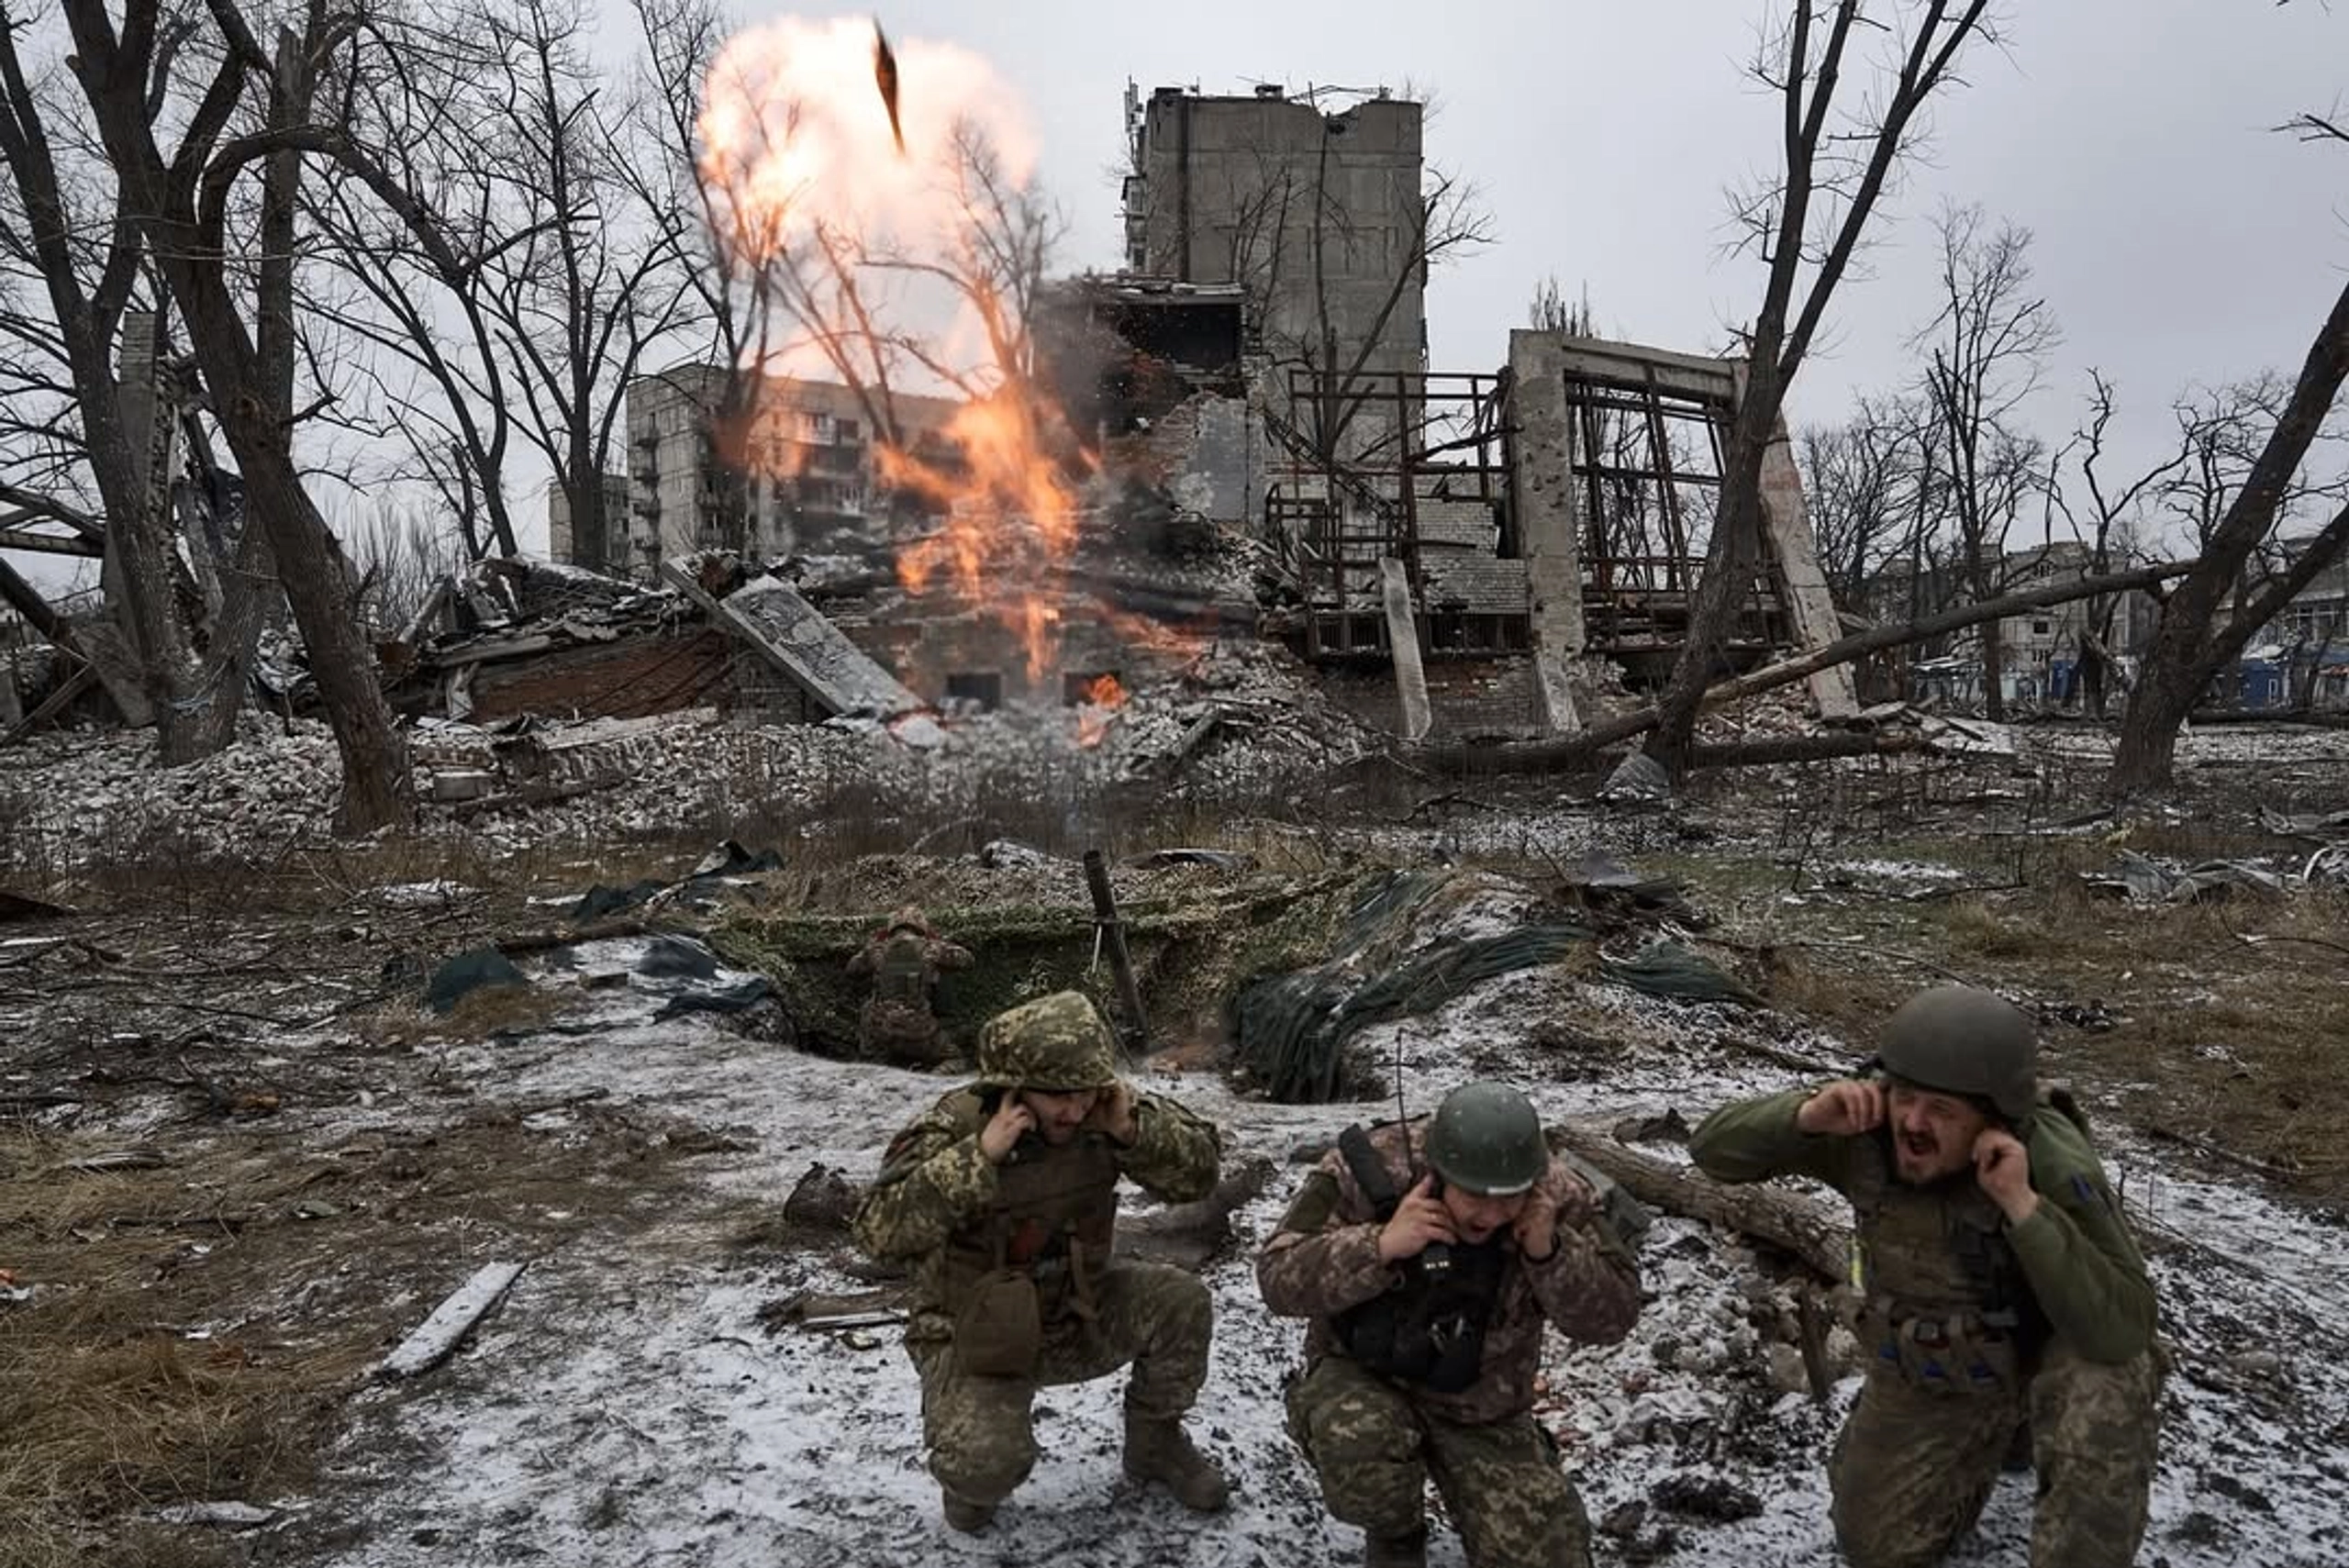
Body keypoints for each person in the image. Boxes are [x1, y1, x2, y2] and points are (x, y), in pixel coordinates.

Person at [1687, 984, 2160, 1568]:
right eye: (1905, 1097)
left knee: (2106, 1384)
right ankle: (1991, 1434)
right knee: (1876, 1549)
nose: (1912, 1123)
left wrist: (2022, 1206)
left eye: (1942, 1111)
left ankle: (2034, 1449)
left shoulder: (2051, 1162)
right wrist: (1805, 1118)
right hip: (1952, 1356)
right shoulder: (1865, 1128)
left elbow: (2122, 1327)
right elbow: (1710, 1153)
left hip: (2051, 1345)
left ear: (1994, 1122)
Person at [850, 990, 1230, 1533]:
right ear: (1012, 1086)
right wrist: (980, 1158)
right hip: (976, 1332)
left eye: (1085, 1092)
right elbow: (877, 1232)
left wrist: (1132, 1132)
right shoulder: (956, 1125)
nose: (1074, 1111)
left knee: (1181, 1303)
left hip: (1077, 1311)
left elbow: (1199, 1177)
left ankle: (1154, 1443)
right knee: (983, 1467)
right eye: (1057, 1097)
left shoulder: (1106, 1111)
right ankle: (972, 1482)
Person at [1257, 1081, 1641, 1568]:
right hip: (1366, 1374)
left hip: (1482, 1406)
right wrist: (1379, 1245)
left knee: (1550, 1556)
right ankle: (1396, 1535)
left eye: (1510, 1199)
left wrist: (1551, 1253)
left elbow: (1615, 1319)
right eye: (1475, 1196)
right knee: (1355, 1442)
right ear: (1438, 1171)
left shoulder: (1559, 1196)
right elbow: (1275, 1279)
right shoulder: (1368, 1165)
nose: (1492, 1214)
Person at [847, 905, 972, 1066]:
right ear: (921, 926)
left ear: (891, 927)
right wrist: (939, 944)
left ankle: (871, 1069)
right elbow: (967, 960)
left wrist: (872, 947)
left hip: (880, 1029)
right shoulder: (932, 948)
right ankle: (928, 1086)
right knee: (956, 1059)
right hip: (919, 1029)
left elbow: (851, 969)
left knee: (868, 1017)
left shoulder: (877, 949)